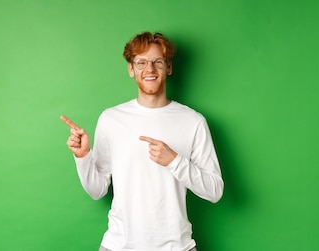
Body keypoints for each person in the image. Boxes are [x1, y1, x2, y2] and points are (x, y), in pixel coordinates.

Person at [60, 32, 224, 251]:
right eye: (141, 63)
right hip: (119, 246)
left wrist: (175, 161)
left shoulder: (193, 121)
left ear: (169, 67)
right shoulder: (111, 119)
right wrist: (82, 157)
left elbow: (215, 191)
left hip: (176, 247)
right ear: (131, 69)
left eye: (157, 62)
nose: (150, 69)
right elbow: (97, 190)